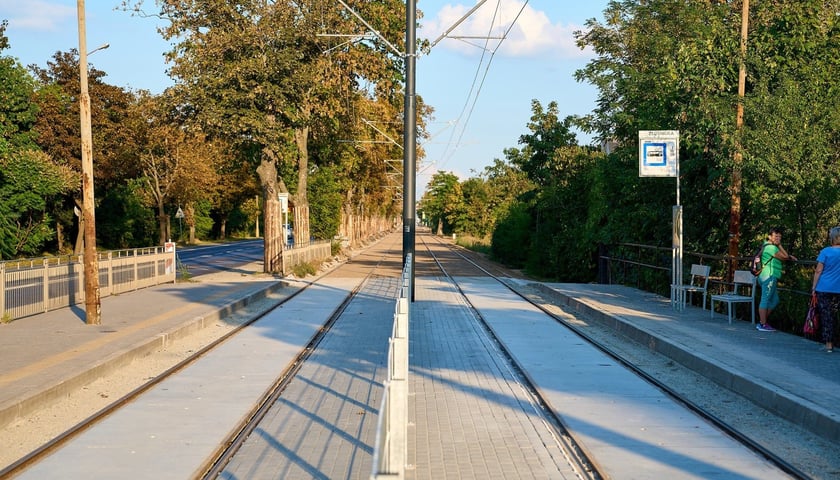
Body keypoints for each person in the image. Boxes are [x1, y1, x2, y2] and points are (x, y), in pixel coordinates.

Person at [756, 227, 797, 331]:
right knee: (765, 299)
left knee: (774, 300)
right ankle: (763, 324)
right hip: (769, 276)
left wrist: (787, 255)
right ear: (770, 236)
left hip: (765, 276)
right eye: (776, 236)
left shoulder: (767, 246)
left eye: (779, 237)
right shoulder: (771, 248)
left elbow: (784, 256)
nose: (778, 238)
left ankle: (762, 321)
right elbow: (784, 257)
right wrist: (783, 250)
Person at [810, 226, 840, 352]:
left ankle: (829, 344)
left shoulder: (825, 252)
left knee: (827, 316)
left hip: (824, 288)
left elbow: (818, 270)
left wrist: (813, 287)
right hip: (838, 288)